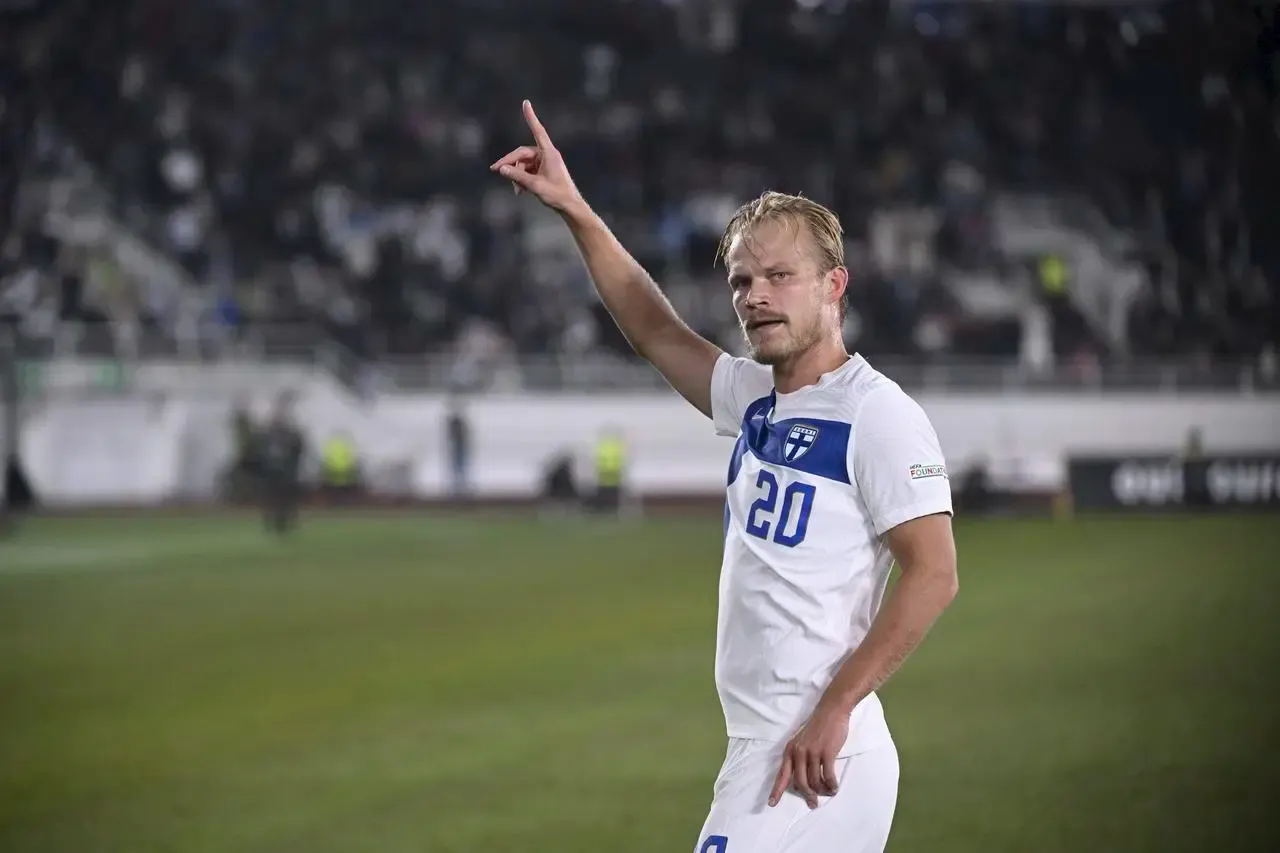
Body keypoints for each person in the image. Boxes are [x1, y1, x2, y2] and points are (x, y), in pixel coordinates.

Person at [492, 101, 960, 853]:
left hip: (809, 755)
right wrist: (575, 208)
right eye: (743, 281)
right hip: (778, 743)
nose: (756, 296)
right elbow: (653, 328)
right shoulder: (753, 394)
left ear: (835, 285)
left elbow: (934, 574)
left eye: (780, 275)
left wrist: (835, 708)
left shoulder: (877, 415)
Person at [258, 395, 306, 535]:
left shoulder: (288, 436)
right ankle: (274, 521)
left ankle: (283, 522)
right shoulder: (268, 437)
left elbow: (297, 450)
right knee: (273, 498)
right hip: (273, 472)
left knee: (285, 499)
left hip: (285, 472)